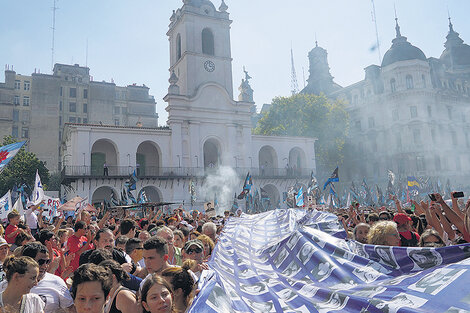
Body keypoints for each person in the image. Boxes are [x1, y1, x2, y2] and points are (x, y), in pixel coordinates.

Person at [1, 242, 75, 313]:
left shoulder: (57, 282)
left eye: (48, 261)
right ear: (28, 260)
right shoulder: (4, 286)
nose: (45, 266)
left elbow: (70, 309)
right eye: (41, 262)